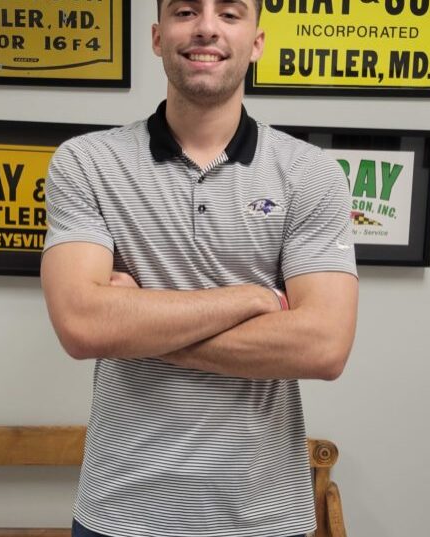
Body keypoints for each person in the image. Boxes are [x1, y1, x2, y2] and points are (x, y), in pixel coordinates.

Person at [40, 1, 359, 536]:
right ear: (158, 36)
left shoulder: (311, 174)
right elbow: (82, 325)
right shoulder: (86, 162)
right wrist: (250, 299)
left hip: (263, 516)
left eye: (230, 14)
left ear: (256, 42)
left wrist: (134, 325)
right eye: (186, 10)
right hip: (120, 513)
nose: (207, 27)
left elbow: (324, 347)